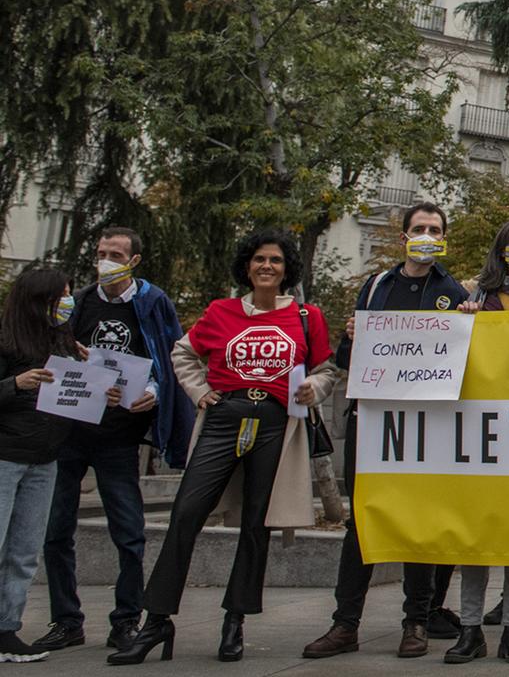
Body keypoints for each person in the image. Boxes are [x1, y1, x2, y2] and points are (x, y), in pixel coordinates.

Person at [111, 230, 336, 665]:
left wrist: (314, 387)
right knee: (185, 515)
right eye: (258, 260)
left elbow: (325, 370)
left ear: (287, 268)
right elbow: (182, 354)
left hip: (275, 426)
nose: (266, 266)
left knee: (256, 525)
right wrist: (198, 392)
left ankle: (235, 621)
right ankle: (156, 621)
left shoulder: (307, 316)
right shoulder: (221, 312)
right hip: (221, 421)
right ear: (247, 267)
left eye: (274, 260)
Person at [301, 203, 468, 660]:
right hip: (373, 423)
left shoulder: (452, 292)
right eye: (419, 228)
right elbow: (348, 361)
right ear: (404, 237)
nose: (427, 235)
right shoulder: (377, 287)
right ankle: (344, 624)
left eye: (435, 229)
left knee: (416, 523)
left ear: (444, 237)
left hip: (423, 427)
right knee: (362, 522)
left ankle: (416, 621)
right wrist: (353, 337)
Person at [33, 228, 190, 655]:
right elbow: (56, 351)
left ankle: (126, 621)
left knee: (128, 532)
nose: (105, 260)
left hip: (118, 436)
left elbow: (170, 358)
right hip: (71, 432)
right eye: (101, 253)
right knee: (56, 531)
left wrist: (151, 395)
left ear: (134, 260)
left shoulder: (153, 302)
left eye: (115, 254)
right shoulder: (80, 301)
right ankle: (66, 620)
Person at [443, 218, 509, 664]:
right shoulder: (477, 296)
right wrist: (462, 322)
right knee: (478, 535)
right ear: (501, 247)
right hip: (482, 431)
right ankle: (470, 630)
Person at [0, 269, 85, 663]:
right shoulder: (6, 338)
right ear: (38, 299)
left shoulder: (64, 341)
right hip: (5, 456)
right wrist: (16, 384)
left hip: (45, 459)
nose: (67, 302)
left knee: (24, 550)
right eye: (60, 295)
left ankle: (7, 627)